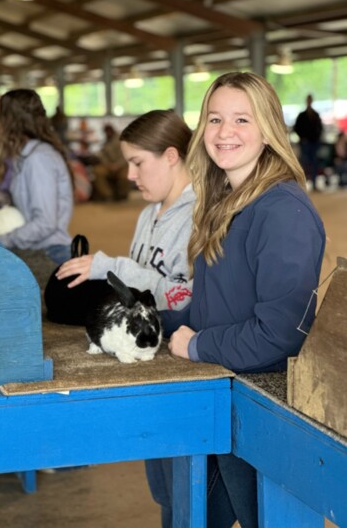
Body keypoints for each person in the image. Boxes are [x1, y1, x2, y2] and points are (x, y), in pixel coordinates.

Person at [146, 73, 326, 528]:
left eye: (241, 119)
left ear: (268, 129)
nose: (225, 133)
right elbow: (217, 306)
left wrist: (198, 346)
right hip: (223, 392)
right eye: (215, 119)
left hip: (261, 408)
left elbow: (279, 335)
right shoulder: (226, 200)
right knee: (184, 511)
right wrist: (159, 321)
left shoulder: (282, 211)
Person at [53, 109, 194, 315]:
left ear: (170, 156)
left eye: (137, 163)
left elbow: (184, 301)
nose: (130, 175)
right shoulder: (148, 214)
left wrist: (114, 269)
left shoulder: (199, 218)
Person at [0, 88, 73, 264]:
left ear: (9, 121)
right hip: (39, 248)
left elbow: (45, 222)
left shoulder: (38, 158)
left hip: (50, 254)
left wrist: (1, 240)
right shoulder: (25, 156)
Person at [91, 123, 131, 201]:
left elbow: (126, 155)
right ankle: (108, 195)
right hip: (109, 166)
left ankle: (123, 194)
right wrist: (108, 165)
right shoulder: (105, 142)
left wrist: (118, 165)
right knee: (97, 171)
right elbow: (102, 156)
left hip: (122, 165)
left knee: (125, 176)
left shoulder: (122, 140)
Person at [293, 94, 323, 190]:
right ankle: (302, 185)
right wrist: (303, 138)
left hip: (314, 142)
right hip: (305, 143)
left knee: (314, 163)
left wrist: (317, 138)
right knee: (304, 163)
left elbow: (320, 128)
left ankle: (314, 183)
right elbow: (296, 128)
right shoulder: (302, 116)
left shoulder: (315, 115)